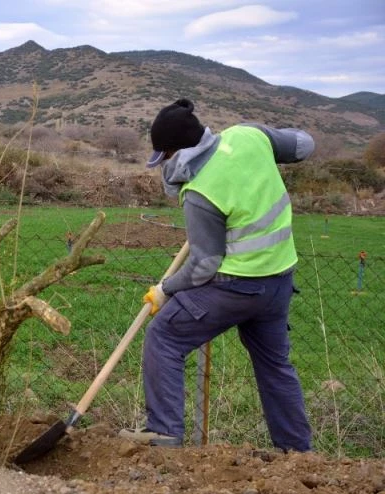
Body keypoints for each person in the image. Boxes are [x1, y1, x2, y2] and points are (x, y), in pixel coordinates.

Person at [119, 98, 314, 452]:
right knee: (274, 366)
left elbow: (204, 265)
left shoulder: (200, 192)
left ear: (177, 152)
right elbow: (304, 145)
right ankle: (297, 452)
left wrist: (166, 289)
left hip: (235, 287)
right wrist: (259, 151)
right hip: (279, 280)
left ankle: (164, 433)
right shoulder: (248, 136)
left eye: (164, 157)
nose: (164, 165)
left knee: (164, 336)